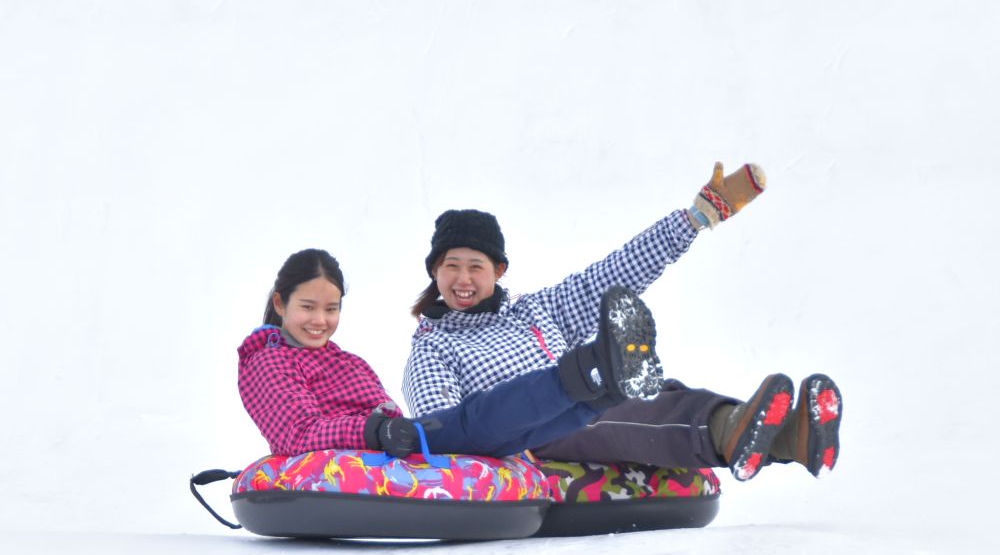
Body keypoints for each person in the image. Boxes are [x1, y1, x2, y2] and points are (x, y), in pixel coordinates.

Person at [402, 162, 843, 481]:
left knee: (653, 392)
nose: (462, 279)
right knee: (610, 410)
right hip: (531, 436)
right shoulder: (433, 349)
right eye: (451, 266)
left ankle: (789, 438)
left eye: (475, 266)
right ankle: (729, 429)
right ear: (435, 272)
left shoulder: (536, 310)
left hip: (587, 404)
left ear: (498, 271)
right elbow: (445, 430)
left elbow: (615, 274)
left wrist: (694, 220)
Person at [238, 248, 671, 461]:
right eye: (308, 307)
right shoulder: (268, 361)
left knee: (519, 434)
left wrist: (384, 429)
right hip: (375, 446)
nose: (320, 321)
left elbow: (382, 414)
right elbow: (297, 435)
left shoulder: (347, 361)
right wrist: (374, 432)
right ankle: (592, 365)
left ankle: (608, 388)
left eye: (331, 309)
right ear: (280, 304)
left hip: (392, 443)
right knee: (476, 419)